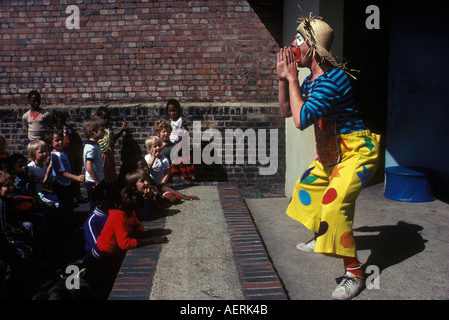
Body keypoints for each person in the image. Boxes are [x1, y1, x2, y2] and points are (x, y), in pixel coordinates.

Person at [277, 14, 380, 300]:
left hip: (356, 152)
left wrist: (291, 77)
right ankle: (323, 234)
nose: (292, 45)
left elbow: (301, 120)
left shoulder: (332, 81)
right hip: (330, 154)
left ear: (312, 48)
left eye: (298, 40)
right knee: (305, 189)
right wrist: (283, 80)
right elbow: (287, 111)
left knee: (333, 207)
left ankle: (355, 274)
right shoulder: (311, 80)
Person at [52, 110, 86, 204]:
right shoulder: (54, 132)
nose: (63, 123)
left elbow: (75, 140)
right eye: (60, 122)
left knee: (74, 174)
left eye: (63, 121)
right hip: (61, 156)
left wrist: (67, 133)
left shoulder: (69, 130)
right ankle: (70, 196)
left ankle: (77, 194)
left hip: (70, 155)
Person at [166, 99, 196, 184]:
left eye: (174, 110)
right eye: (170, 111)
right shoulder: (169, 122)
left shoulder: (182, 121)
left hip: (181, 145)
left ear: (178, 110)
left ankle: (189, 179)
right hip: (171, 144)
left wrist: (177, 147)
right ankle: (168, 180)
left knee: (184, 164)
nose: (172, 113)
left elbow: (183, 135)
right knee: (170, 165)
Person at [96, 106, 129, 184]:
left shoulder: (109, 128)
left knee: (110, 177)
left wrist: (122, 130)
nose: (106, 120)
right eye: (104, 118)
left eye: (108, 118)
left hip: (109, 155)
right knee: (103, 175)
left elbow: (112, 140)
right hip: (102, 155)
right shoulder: (97, 129)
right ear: (99, 118)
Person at [83, 116, 106, 213]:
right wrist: (97, 182)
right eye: (102, 129)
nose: (104, 131)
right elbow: (89, 166)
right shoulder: (91, 147)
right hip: (94, 182)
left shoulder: (93, 145)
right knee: (95, 206)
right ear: (93, 131)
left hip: (96, 180)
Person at [83, 183, 109, 253]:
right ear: (99, 203)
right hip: (99, 257)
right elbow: (97, 247)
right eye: (108, 199)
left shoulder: (113, 214)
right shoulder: (92, 222)